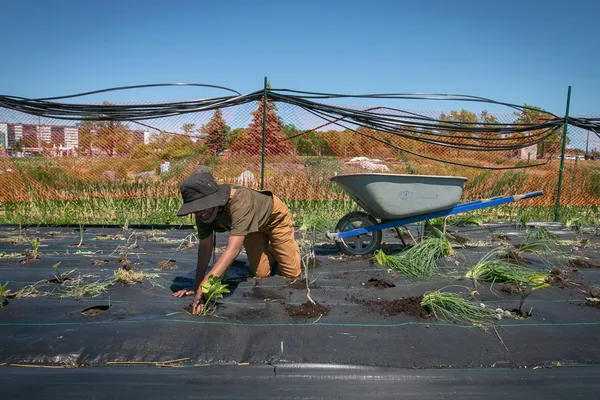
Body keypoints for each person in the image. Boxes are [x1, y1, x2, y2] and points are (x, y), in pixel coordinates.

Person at [172, 172, 301, 314]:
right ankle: (270, 251)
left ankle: (276, 248)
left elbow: (234, 248)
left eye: (200, 207)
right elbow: (205, 246)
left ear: (212, 200)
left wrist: (206, 284)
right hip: (251, 228)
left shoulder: (239, 201)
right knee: (261, 274)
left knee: (291, 274)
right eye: (194, 209)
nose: (197, 213)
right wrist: (197, 285)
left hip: (274, 219)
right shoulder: (202, 214)